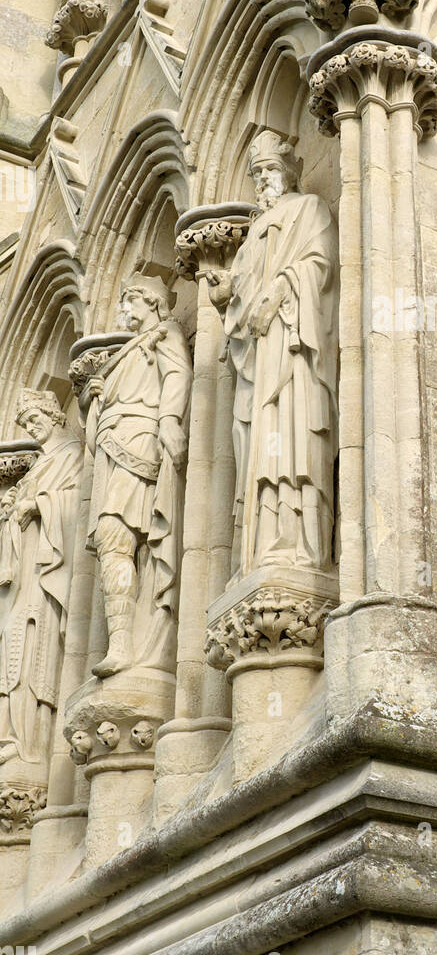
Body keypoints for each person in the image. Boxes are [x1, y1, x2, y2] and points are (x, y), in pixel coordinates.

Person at [207, 132, 338, 573]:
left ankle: (300, 544)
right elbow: (244, 286)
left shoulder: (308, 209)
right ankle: (264, 545)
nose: (263, 179)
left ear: (289, 173)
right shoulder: (251, 237)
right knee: (260, 444)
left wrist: (280, 290)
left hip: (292, 340)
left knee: (294, 435)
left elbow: (320, 263)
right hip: (259, 353)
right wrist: (230, 290)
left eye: (270, 170)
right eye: (257, 173)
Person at [83, 275, 192, 678]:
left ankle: (126, 644)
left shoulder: (164, 334)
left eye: (131, 302)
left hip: (138, 440)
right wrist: (95, 400)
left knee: (117, 537)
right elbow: (92, 440)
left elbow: (178, 375)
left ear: (152, 303)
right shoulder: (124, 354)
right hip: (113, 448)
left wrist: (168, 421)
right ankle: (123, 643)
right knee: (114, 544)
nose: (124, 310)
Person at [0, 391, 82, 766]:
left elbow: (78, 503)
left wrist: (39, 505)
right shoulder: (36, 467)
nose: (33, 428)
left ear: (56, 415)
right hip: (24, 573)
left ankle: (32, 745)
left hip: (47, 571)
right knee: (12, 649)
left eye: (37, 419)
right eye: (27, 424)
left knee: (34, 646)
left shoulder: (72, 456)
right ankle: (12, 737)